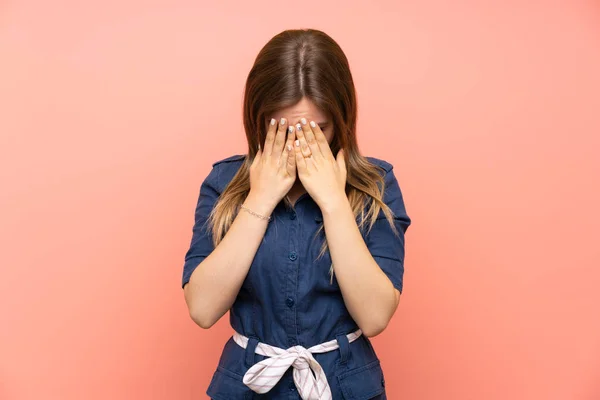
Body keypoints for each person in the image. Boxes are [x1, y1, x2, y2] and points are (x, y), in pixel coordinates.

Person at [181, 28, 411, 400]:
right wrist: (261, 198)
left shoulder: (376, 184)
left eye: (317, 129)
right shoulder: (223, 182)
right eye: (282, 129)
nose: (299, 143)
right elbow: (203, 309)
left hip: (345, 386)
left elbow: (375, 316)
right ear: (258, 119)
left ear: (342, 119)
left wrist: (333, 200)